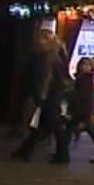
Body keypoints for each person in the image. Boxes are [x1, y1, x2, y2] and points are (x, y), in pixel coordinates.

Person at [11, 30, 72, 164]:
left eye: (41, 38)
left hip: (49, 95)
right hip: (51, 94)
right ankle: (25, 151)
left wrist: (41, 97)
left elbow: (45, 79)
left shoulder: (49, 57)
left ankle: (62, 155)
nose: (38, 41)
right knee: (40, 125)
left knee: (52, 124)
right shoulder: (51, 55)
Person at [69, 57, 94, 163]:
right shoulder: (82, 78)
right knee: (88, 129)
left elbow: (83, 95)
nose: (85, 67)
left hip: (83, 108)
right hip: (82, 107)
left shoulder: (85, 79)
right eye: (83, 65)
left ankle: (63, 151)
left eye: (87, 65)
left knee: (80, 128)